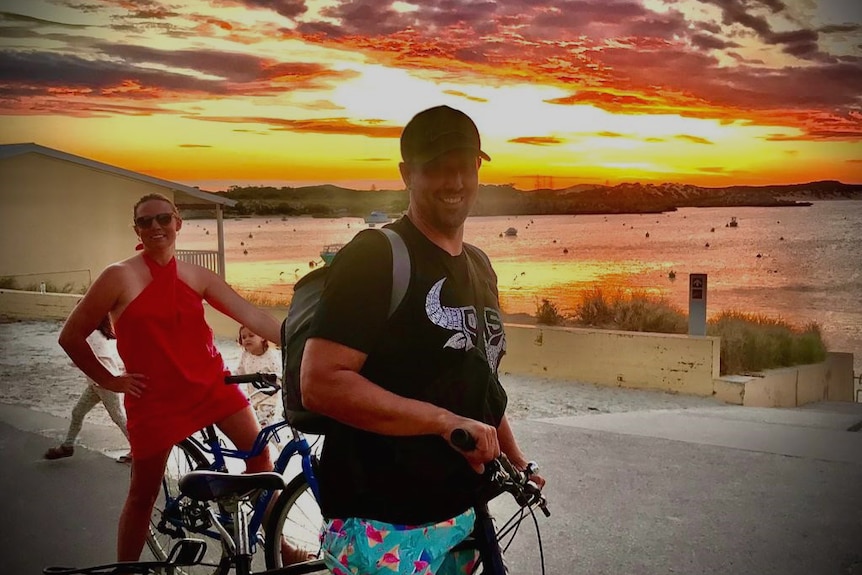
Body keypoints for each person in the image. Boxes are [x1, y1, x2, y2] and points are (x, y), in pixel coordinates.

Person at [301, 105, 545, 575]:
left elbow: (478, 385)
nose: (454, 181)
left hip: (464, 512)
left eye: (465, 165)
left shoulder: (479, 266)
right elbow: (322, 382)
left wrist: (517, 461)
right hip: (386, 521)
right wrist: (442, 422)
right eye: (436, 167)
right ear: (406, 174)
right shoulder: (375, 256)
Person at [58, 192, 307, 564]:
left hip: (211, 388)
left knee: (261, 460)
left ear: (178, 223)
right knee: (142, 496)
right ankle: (125, 570)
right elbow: (71, 335)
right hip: (154, 401)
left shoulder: (195, 275)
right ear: (137, 229)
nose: (156, 226)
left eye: (163, 218)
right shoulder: (118, 276)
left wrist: (302, 343)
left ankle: (279, 546)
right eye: (146, 221)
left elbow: (251, 315)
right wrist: (108, 379)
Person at [44, 314, 132, 463]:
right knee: (78, 412)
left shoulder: (94, 336)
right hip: (95, 385)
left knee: (118, 417)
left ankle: (138, 450)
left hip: (105, 385)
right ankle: (67, 446)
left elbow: (96, 359)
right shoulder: (97, 334)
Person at [235, 325, 282, 428]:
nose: (247, 339)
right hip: (253, 400)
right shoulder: (246, 355)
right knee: (255, 428)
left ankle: (272, 444)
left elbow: (281, 374)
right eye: (243, 337)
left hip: (269, 400)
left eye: (251, 335)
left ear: (262, 337)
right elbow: (239, 372)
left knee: (265, 427)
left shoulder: (271, 355)